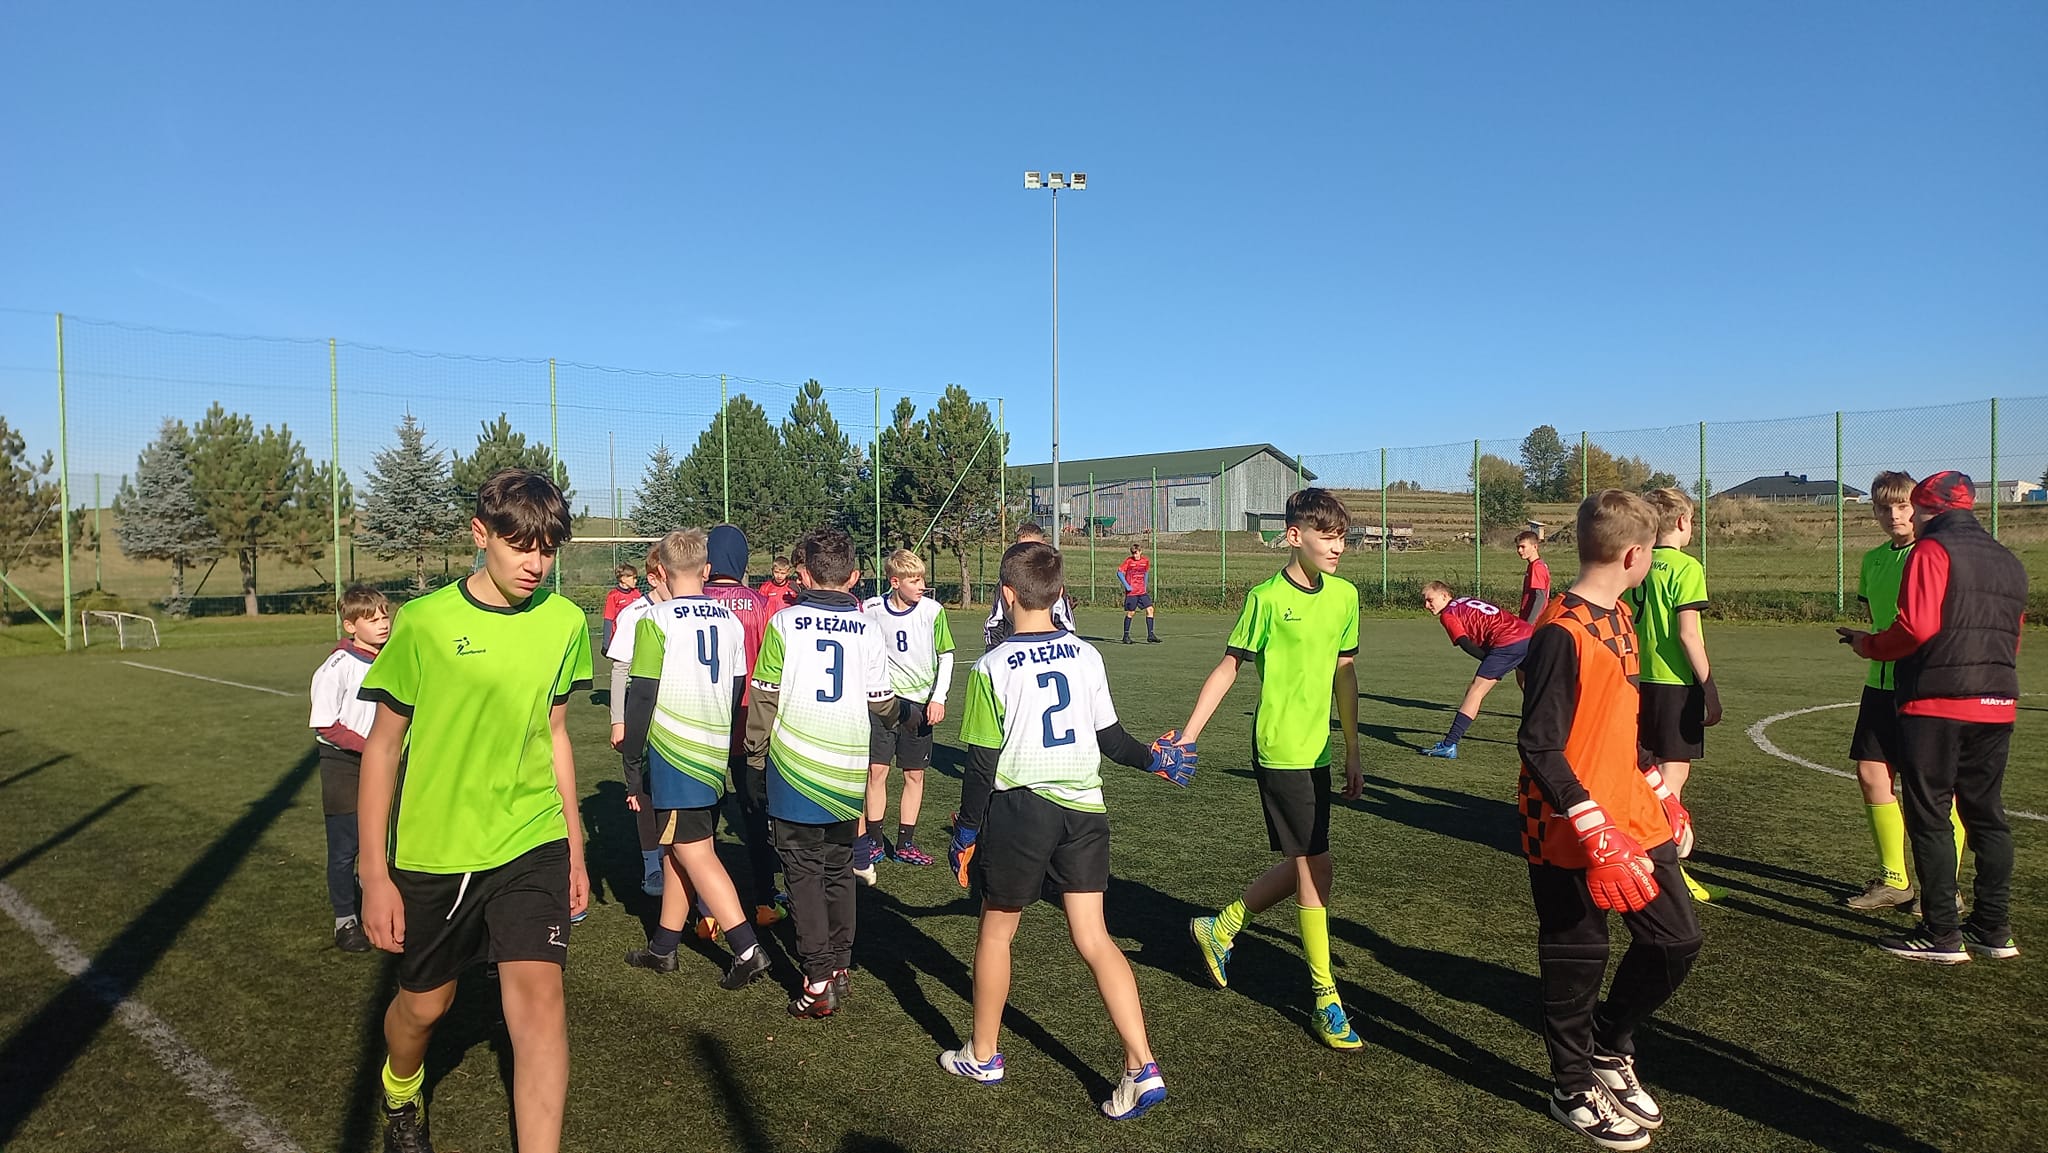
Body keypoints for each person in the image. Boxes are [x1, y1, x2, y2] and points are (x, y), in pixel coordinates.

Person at [356, 468, 593, 1153]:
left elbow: (554, 735)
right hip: (439, 849)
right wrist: (374, 873)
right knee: (426, 1006)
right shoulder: (424, 623)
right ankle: (401, 1085)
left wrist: (575, 848)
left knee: (541, 1004)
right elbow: (383, 747)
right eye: (521, 545)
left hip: (532, 837)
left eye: (547, 548)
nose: (535, 563)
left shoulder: (564, 622)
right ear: (480, 534)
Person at [938, 541, 1185, 1119]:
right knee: (1095, 937)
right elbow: (1111, 740)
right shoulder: (1086, 655)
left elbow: (980, 764)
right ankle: (1141, 1065)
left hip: (1021, 810)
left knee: (996, 932)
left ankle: (984, 1054)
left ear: (1006, 595)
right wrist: (1155, 759)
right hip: (1085, 809)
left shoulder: (992, 666)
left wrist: (966, 832)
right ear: (1059, 595)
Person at [1518, 489, 1702, 1151]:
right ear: (1633, 555)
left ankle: (1609, 1044)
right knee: (1578, 958)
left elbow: (1618, 725)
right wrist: (1594, 826)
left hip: (1634, 814)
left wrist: (1659, 788)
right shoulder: (1559, 632)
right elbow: (1539, 745)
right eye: (1650, 551)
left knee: (1677, 940)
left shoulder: (1621, 614)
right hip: (1566, 827)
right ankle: (1571, 1088)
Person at [1180, 487, 1367, 1050]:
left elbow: (1345, 674)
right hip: (1280, 749)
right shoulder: (1264, 599)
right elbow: (1229, 667)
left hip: (1319, 752)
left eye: (1342, 537)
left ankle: (1221, 926)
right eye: (1327, 537)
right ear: (1294, 536)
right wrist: (1189, 734)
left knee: (1307, 863)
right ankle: (1325, 997)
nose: (1338, 547)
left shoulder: (1345, 597)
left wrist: (1353, 748)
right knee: (1316, 869)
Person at [1845, 471, 2026, 964]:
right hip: (1997, 699)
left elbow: (1917, 627)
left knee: (1930, 815)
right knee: (1986, 814)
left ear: (1926, 508)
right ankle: (1993, 928)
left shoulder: (1931, 550)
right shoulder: (2007, 559)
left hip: (1938, 701)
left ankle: (1941, 932)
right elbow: (2013, 635)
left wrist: (1870, 646)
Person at [746, 528, 895, 1017]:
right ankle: (840, 965)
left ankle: (816, 980)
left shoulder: (785, 623)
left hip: (795, 768)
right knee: (837, 866)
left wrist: (754, 756)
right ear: (854, 576)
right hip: (847, 769)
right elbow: (882, 703)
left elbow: (764, 697)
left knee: (803, 873)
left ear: (803, 575)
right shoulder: (868, 629)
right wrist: (906, 715)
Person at [617, 528, 772, 990]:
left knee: (693, 851)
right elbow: (739, 688)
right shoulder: (729, 620)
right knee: (677, 848)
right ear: (705, 569)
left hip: (675, 754)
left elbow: (641, 695)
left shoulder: (655, 620)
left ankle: (747, 949)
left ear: (661, 571)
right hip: (712, 748)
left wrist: (632, 764)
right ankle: (664, 946)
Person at [1841, 471, 1966, 911]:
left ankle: (1943, 887)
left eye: (1902, 505)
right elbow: (1883, 621)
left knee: (1931, 788)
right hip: (1880, 683)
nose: (1893, 515)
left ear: (1919, 507)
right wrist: (1868, 642)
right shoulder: (1873, 560)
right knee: (1871, 774)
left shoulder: (1934, 554)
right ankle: (1895, 879)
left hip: (1925, 685)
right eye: (1883, 507)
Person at [1620, 487, 1720, 904]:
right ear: (1682, 521)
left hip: (1635, 681)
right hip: (1675, 684)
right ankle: (1667, 869)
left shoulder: (1637, 562)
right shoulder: (1686, 567)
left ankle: (1636, 852)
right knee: (1670, 782)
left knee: (1646, 773)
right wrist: (1709, 687)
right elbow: (1688, 634)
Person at [700, 524, 787, 928]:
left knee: (703, 821)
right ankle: (765, 900)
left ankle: (706, 912)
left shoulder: (693, 602)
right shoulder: (762, 603)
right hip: (751, 723)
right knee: (755, 814)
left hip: (704, 722)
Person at [858, 549, 957, 873]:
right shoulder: (871, 609)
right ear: (895, 582)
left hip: (919, 705)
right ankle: (874, 841)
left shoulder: (932, 611)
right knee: (877, 771)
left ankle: (905, 844)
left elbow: (946, 655)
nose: (922, 586)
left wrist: (938, 698)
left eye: (922, 579)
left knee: (914, 774)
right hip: (884, 702)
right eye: (914, 581)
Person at [308, 583, 391, 953]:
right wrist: (372, 748)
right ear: (350, 626)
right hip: (345, 765)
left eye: (384, 616)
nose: (382, 624)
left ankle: (383, 905)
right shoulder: (336, 667)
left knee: (388, 840)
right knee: (346, 847)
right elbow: (326, 724)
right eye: (371, 619)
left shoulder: (393, 658)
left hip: (385, 760)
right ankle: (345, 921)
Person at [604, 547, 666, 897]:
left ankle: (677, 860)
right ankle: (651, 864)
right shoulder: (635, 613)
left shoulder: (683, 612)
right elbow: (620, 669)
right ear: (655, 578)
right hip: (642, 712)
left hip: (674, 715)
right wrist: (618, 720)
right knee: (643, 792)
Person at [1419, 582, 1533, 759]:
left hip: (1507, 642)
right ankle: (1555, 731)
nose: (1426, 605)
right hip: (1528, 633)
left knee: (1475, 691)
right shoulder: (1466, 600)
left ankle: (1449, 745)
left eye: (1430, 600)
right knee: (1532, 686)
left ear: (1444, 596)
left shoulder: (1448, 614)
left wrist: (1492, 661)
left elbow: (1465, 644)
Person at [983, 523, 1076, 647]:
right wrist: (995, 651)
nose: (1027, 553)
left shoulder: (1051, 582)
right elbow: (995, 624)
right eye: (1021, 548)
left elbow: (1065, 624)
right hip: (1014, 651)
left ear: (1043, 545)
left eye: (1032, 547)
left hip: (1047, 650)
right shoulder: (1006, 583)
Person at [1118, 543, 1158, 644]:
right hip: (1132, 592)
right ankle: (1126, 636)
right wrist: (1127, 586)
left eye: (1136, 553)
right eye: (1133, 553)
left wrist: (1145, 586)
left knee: (1150, 609)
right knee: (1131, 612)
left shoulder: (1145, 561)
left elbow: (1146, 573)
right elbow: (1119, 573)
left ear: (1140, 552)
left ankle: (1150, 635)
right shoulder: (1128, 561)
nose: (1134, 555)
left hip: (1142, 591)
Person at [601, 563, 642, 658]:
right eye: (633, 578)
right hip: (620, 638)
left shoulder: (637, 593)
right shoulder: (613, 596)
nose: (636, 581)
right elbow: (608, 620)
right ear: (623, 579)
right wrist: (606, 644)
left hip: (635, 637)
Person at [1517, 530, 1552, 624]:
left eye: (1523, 547)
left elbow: (1540, 597)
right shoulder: (1534, 565)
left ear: (1535, 547)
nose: (1519, 550)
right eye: (1518, 547)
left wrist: (1530, 623)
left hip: (1535, 623)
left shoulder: (1537, 567)